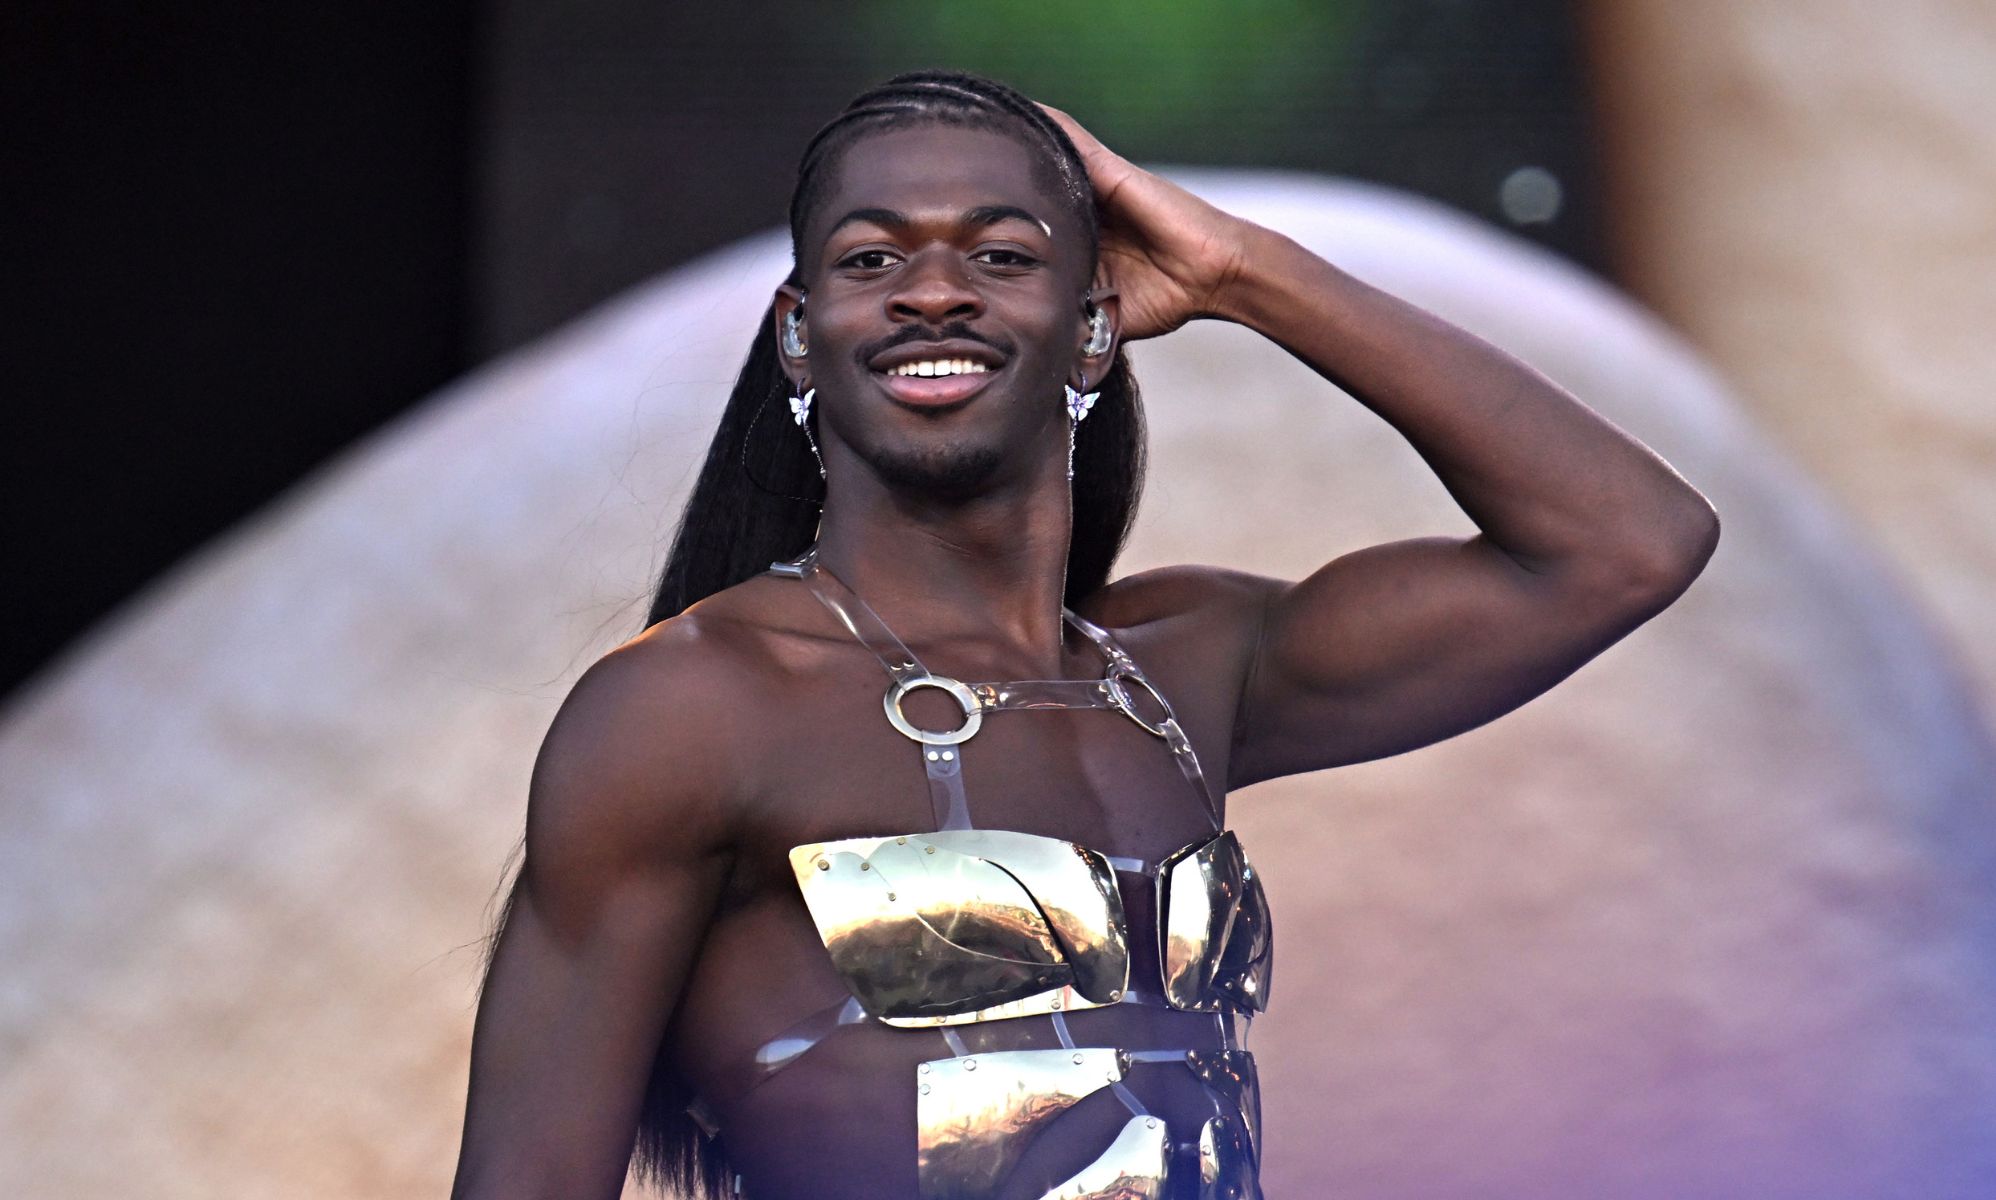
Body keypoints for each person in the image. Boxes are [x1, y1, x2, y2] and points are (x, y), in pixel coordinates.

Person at [448, 71, 1719, 1200]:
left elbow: (1626, 543)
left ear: (1097, 324)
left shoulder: (1183, 669)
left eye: (1001, 256)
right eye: (871, 260)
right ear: (797, 332)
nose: (932, 290)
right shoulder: (693, 708)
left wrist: (1238, 270)